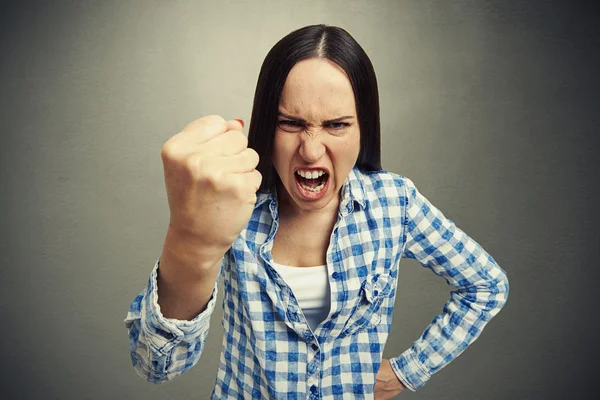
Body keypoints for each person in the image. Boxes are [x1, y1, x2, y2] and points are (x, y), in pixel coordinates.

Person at [124, 24, 509, 399]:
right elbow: (158, 367)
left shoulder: (395, 203)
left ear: (364, 129)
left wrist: (407, 372)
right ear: (266, 125)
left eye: (336, 125)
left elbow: (487, 285)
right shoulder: (235, 206)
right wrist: (191, 243)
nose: (310, 150)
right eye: (290, 123)